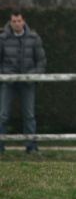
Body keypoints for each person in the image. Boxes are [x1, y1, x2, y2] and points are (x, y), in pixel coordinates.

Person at [0, 11, 47, 154]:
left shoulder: (34, 38)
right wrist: (4, 74)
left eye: (18, 21)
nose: (16, 24)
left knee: (29, 115)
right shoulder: (3, 39)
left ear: (24, 21)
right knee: (3, 115)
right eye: (13, 21)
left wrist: (33, 75)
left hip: (27, 82)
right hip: (9, 81)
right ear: (10, 21)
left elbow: (41, 60)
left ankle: (31, 146)